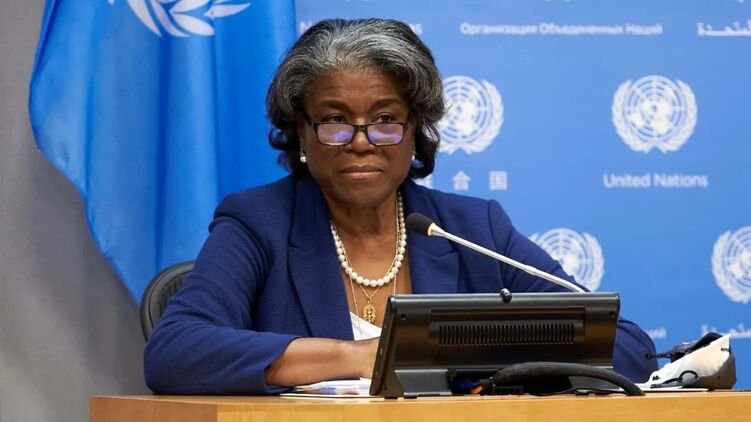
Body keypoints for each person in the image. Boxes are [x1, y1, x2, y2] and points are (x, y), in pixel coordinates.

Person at [144, 18, 657, 394]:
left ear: (415, 132)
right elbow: (175, 351)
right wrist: (355, 357)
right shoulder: (259, 223)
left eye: (386, 120)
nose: (360, 141)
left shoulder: (472, 228)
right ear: (301, 133)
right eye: (335, 121)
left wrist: (478, 362)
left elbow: (627, 346)